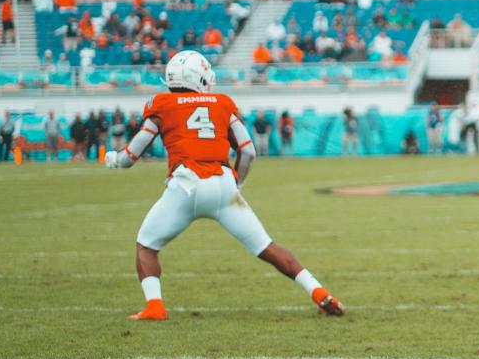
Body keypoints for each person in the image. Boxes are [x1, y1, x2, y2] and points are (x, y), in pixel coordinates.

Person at [104, 50, 344, 320]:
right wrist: (235, 187)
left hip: (185, 186)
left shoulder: (161, 104)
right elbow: (248, 150)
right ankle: (319, 291)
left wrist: (113, 159)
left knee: (146, 245)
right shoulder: (222, 103)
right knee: (267, 247)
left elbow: (132, 154)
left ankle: (155, 306)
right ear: (200, 78)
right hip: (223, 184)